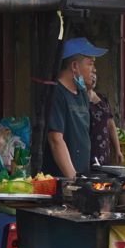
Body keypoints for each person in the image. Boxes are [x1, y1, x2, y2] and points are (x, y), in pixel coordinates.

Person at [43, 37, 107, 178]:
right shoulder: (56, 94)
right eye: (90, 64)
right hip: (62, 179)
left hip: (81, 175)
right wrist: (73, 178)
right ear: (74, 66)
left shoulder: (82, 94)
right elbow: (55, 139)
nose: (94, 69)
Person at [86, 68, 123, 166]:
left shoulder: (102, 98)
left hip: (103, 151)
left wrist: (118, 150)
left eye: (95, 72)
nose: (93, 75)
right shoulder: (79, 99)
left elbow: (111, 124)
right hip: (87, 152)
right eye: (90, 72)